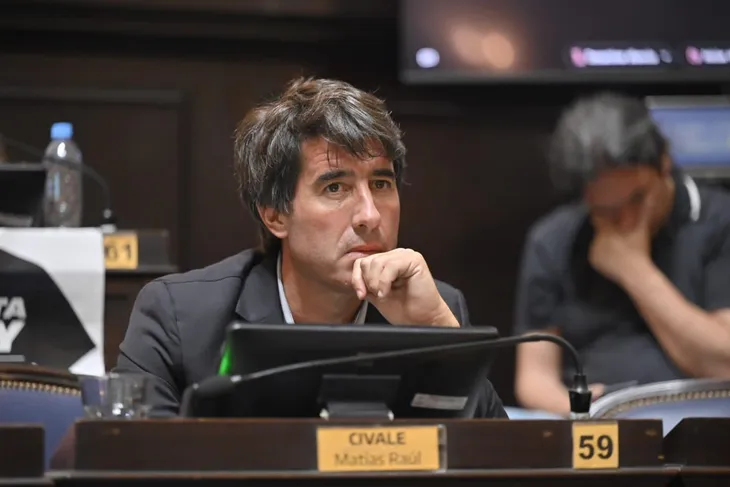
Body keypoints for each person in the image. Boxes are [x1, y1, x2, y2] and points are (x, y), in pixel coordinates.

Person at [114, 77, 507, 418]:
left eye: (381, 184)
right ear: (275, 215)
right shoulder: (180, 318)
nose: (370, 215)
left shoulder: (435, 308)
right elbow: (135, 458)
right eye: (335, 187)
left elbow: (495, 460)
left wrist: (439, 333)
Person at [513, 92, 730, 416]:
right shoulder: (553, 239)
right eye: (606, 210)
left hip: (699, 418)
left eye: (638, 199)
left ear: (664, 163)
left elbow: (724, 363)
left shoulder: (720, 220)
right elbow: (534, 378)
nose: (626, 221)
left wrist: (633, 270)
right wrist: (588, 413)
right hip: (593, 420)